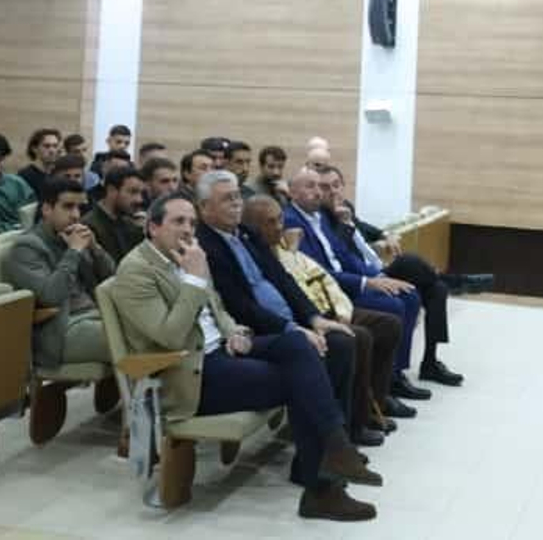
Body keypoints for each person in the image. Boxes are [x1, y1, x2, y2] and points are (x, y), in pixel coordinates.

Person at [107, 194, 379, 522]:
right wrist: (194, 278)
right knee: (300, 380)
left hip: (222, 351)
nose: (187, 230)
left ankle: (335, 451)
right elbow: (169, 336)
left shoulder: (187, 255)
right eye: (178, 222)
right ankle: (324, 484)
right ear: (152, 227)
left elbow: (218, 309)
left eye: (192, 223)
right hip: (187, 373)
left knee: (298, 346)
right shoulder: (136, 271)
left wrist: (236, 332)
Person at [194, 173, 378, 445]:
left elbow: (283, 278)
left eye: (237, 197)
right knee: (318, 349)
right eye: (226, 199)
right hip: (254, 329)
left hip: (286, 321)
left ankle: (340, 439)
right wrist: (291, 328)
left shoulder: (246, 233)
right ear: (204, 207)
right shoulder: (205, 246)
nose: (236, 204)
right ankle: (326, 449)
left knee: (343, 341)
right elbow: (239, 306)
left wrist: (314, 318)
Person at [258, 197, 413, 428]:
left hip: (332, 308)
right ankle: (352, 424)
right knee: (357, 336)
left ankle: (376, 405)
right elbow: (291, 295)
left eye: (280, 220)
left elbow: (325, 278)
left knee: (389, 323)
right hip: (310, 317)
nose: (280, 226)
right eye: (271, 222)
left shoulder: (293, 244)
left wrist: (342, 311)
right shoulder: (269, 252)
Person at [285, 168, 432, 402]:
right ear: (292, 193)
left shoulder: (320, 217)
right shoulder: (291, 221)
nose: (317, 192)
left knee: (409, 295)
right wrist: (366, 282)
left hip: (346, 280)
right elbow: (317, 272)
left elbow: (344, 255)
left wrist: (377, 276)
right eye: (310, 187)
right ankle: (380, 389)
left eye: (318, 186)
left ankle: (394, 376)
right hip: (331, 292)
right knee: (393, 306)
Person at [319, 166, 465, 386]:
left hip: (375, 268)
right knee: (408, 262)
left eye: (336, 186)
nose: (332, 192)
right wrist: (345, 226)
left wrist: (383, 234)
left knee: (437, 291)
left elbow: (365, 232)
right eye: (325, 187)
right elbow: (345, 257)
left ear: (343, 186)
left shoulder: (345, 208)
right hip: (364, 277)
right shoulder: (323, 218)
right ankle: (452, 281)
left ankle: (430, 362)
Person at [2, 177, 115, 368]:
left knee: (147, 330)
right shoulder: (27, 246)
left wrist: (96, 250)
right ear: (47, 209)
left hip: (93, 316)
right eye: (68, 207)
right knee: (135, 339)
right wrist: (74, 252)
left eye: (80, 208)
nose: (76, 215)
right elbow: (51, 296)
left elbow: (113, 278)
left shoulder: (69, 236)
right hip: (61, 331)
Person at [83, 163, 147, 261]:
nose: (139, 199)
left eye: (141, 193)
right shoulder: (89, 227)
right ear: (111, 190)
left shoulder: (131, 225)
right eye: (133, 192)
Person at [20, 128, 62, 195]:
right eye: (46, 146)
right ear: (34, 149)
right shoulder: (25, 176)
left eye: (55, 146)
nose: (52, 150)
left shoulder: (59, 174)